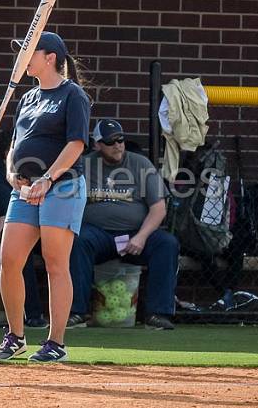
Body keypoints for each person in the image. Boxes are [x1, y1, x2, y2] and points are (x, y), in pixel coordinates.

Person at [0, 31, 90, 363]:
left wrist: (48, 178)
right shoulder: (28, 97)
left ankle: (56, 342)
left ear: (50, 58)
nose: (23, 58)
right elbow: (15, 144)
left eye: (29, 52)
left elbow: (76, 144)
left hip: (60, 186)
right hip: (24, 188)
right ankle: (14, 336)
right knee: (9, 261)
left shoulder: (72, 95)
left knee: (54, 263)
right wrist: (10, 173)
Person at [68, 119, 179, 330]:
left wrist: (141, 237)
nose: (118, 145)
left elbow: (159, 209)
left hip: (135, 235)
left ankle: (157, 314)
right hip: (97, 234)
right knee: (76, 241)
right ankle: (77, 312)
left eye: (121, 139)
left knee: (167, 243)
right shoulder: (84, 165)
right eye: (110, 142)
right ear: (97, 144)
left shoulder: (140, 164)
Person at [0, 130, 46, 328]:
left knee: (22, 246)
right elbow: (16, 205)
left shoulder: (31, 175)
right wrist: (7, 216)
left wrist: (5, 218)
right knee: (23, 250)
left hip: (12, 233)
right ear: (8, 154)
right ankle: (33, 315)